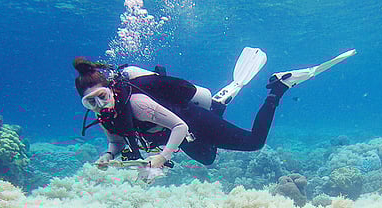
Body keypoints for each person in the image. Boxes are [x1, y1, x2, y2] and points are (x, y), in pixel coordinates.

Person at [74, 48, 356, 170]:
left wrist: (162, 156)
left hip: (189, 122)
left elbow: (179, 127)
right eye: (91, 102)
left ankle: (280, 87)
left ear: (110, 88)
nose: (100, 105)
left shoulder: (137, 103)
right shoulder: (104, 116)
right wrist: (107, 156)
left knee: (253, 143)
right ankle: (219, 103)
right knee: (208, 158)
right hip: (183, 135)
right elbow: (115, 141)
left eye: (101, 96)